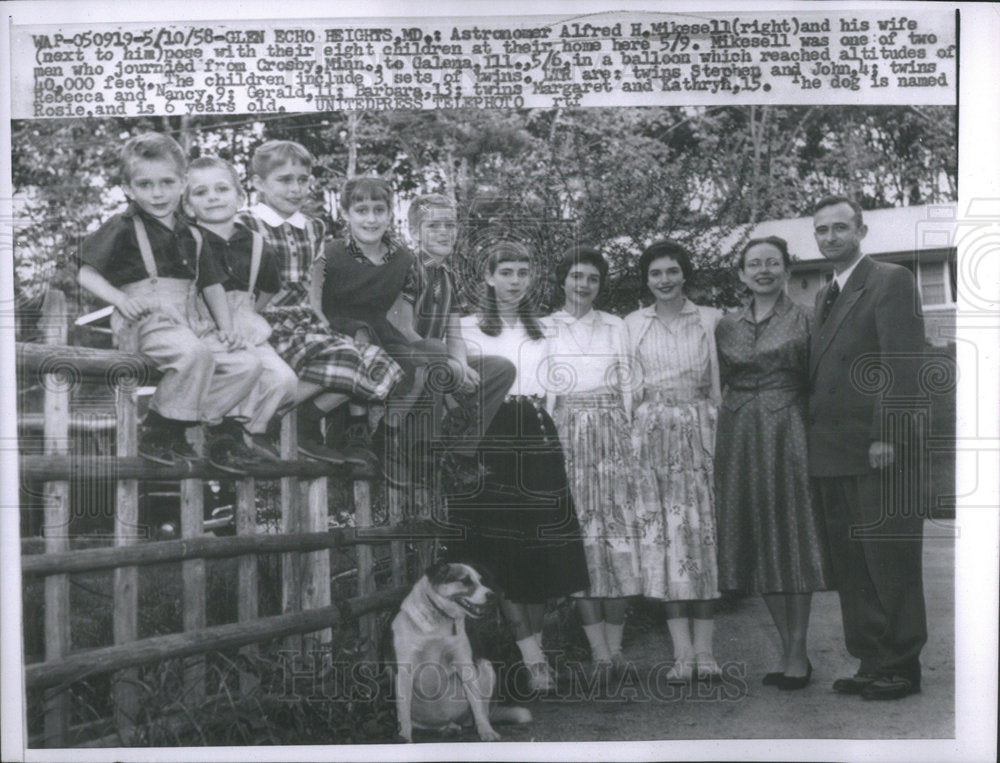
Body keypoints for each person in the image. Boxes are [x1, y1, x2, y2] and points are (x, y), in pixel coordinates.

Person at [450, 239, 590, 692]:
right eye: (505, 272)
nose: (514, 281)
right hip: (492, 436)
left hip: (538, 433)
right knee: (503, 553)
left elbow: (556, 392)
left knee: (539, 552)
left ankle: (540, 653)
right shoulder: (467, 328)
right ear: (488, 277)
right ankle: (533, 663)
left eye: (522, 273)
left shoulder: (545, 329)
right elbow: (457, 390)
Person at [78, 132, 262, 472]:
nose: (157, 193)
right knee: (193, 353)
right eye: (145, 185)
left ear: (182, 184)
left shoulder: (193, 234)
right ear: (129, 189)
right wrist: (119, 299)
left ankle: (203, 423)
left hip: (191, 321)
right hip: (147, 320)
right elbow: (86, 274)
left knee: (246, 362)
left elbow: (211, 286)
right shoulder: (123, 226)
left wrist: (227, 329)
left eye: (167, 182)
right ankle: (159, 431)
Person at [808, 196, 927, 701]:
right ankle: (870, 659)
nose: (830, 237)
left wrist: (887, 434)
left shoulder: (889, 279)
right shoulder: (823, 293)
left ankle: (901, 665)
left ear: (862, 229)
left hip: (878, 449)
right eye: (821, 230)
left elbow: (900, 362)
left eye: (840, 228)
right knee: (852, 563)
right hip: (832, 452)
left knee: (889, 557)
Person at [714, 236, 831, 690]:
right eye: (754, 264)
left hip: (789, 432)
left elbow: (819, 379)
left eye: (772, 263)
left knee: (792, 538)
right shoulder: (726, 325)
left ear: (786, 269)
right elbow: (717, 381)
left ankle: (798, 654)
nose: (763, 270)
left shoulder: (806, 317)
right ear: (742, 274)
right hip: (739, 434)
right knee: (758, 538)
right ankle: (786, 650)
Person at [240, 141, 403, 465]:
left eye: (303, 179)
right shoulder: (247, 224)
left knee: (380, 364)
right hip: (265, 322)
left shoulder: (313, 226)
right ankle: (263, 421)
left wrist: (318, 317)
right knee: (346, 357)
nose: (296, 188)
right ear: (258, 184)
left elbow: (312, 277)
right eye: (285, 180)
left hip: (305, 323)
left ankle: (304, 419)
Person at [624, 240, 722, 683]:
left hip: (700, 433)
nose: (664, 280)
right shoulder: (631, 325)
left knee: (701, 540)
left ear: (685, 274)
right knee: (666, 545)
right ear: (646, 280)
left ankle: (706, 652)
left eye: (672, 271)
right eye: (656, 273)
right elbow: (626, 387)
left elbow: (721, 384)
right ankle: (681, 653)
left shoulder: (711, 319)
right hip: (650, 440)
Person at [316, 177, 452, 479]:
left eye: (379, 210)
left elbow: (399, 317)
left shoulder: (401, 258)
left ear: (390, 213)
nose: (371, 218)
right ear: (346, 214)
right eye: (361, 210)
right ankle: (357, 429)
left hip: (378, 326)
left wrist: (422, 348)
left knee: (417, 363)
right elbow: (315, 306)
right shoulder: (331, 253)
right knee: (363, 343)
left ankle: (386, 436)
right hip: (337, 327)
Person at [547, 246, 641, 673]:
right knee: (581, 542)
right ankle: (599, 653)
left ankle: (616, 649)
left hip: (612, 436)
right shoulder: (545, 327)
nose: (582, 285)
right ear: (562, 280)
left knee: (617, 539)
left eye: (591, 278)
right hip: (567, 434)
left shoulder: (615, 325)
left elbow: (629, 383)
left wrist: (627, 435)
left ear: (601, 285)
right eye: (575, 276)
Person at [183, 156, 299, 460]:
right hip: (201, 326)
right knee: (243, 367)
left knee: (284, 379)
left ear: (240, 196)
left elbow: (269, 288)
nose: (212, 197)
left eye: (221, 189)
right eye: (200, 192)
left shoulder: (258, 244)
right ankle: (215, 427)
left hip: (244, 325)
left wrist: (246, 313)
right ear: (187, 205)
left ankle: (246, 430)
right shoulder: (184, 241)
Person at [401, 194, 516, 481]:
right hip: (405, 359)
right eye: (434, 225)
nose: (444, 232)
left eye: (450, 225)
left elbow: (454, 333)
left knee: (501, 368)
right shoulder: (406, 268)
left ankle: (459, 453)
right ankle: (422, 449)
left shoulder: (447, 276)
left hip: (437, 360)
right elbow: (402, 330)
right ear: (415, 232)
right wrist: (447, 366)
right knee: (436, 352)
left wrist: (461, 367)